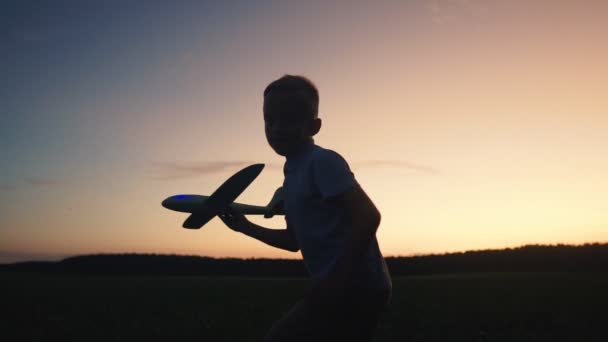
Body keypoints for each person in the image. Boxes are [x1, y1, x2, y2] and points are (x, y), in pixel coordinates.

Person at [219, 75, 392, 341]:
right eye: (269, 120)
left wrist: (336, 279)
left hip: (357, 286)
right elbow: (292, 241)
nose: (276, 128)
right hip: (337, 286)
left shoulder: (322, 161)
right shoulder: (291, 176)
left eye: (288, 119)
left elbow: (368, 216)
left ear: (314, 126)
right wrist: (245, 227)